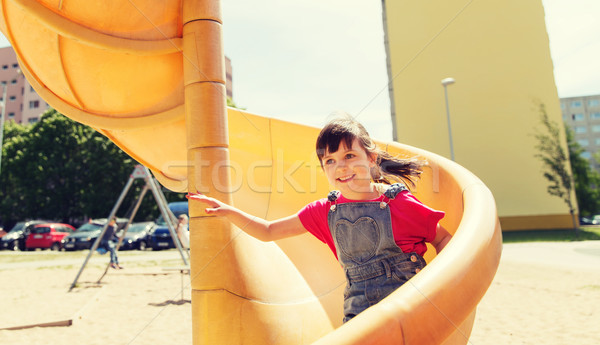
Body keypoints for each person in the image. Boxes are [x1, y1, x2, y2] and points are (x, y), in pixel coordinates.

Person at [187, 116, 452, 323]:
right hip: (359, 318)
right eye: (330, 161)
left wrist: (440, 287)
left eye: (350, 156)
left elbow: (443, 239)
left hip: (411, 310)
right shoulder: (324, 211)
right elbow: (268, 231)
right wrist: (226, 210)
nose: (341, 167)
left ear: (371, 159)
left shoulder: (399, 204)